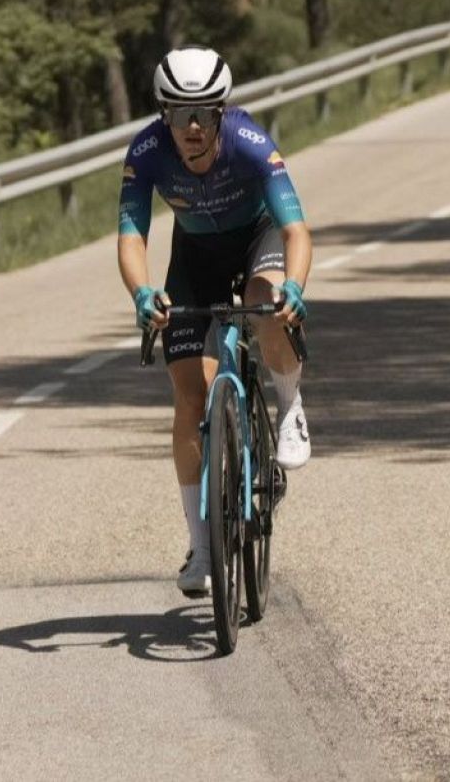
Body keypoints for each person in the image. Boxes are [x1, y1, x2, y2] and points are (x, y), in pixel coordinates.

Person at [117, 46, 313, 599]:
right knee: (188, 396)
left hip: (258, 242)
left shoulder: (251, 144)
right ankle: (202, 548)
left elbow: (296, 230)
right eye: (181, 114)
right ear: (164, 117)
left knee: (264, 302)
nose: (194, 126)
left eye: (205, 113)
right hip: (195, 257)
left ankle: (290, 403)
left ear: (223, 112)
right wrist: (141, 291)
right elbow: (132, 237)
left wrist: (294, 287)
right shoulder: (148, 152)